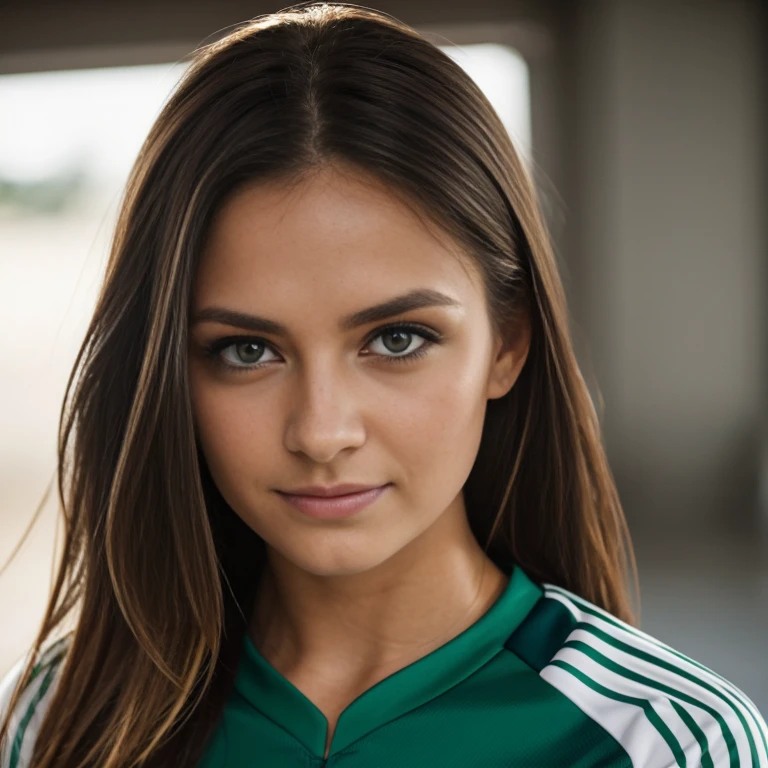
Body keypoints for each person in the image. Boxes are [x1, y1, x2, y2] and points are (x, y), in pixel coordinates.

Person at [1, 2, 766, 766]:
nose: (322, 431)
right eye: (245, 351)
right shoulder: (54, 721)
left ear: (507, 344)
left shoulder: (668, 744)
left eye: (397, 340)